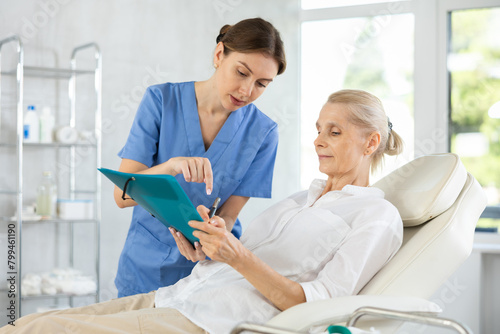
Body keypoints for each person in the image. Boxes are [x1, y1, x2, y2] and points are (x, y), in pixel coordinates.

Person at [3, 89, 404, 334]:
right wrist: (208, 249)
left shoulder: (376, 218)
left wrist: (236, 255)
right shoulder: (301, 199)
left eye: (334, 132)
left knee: (47, 330)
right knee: (28, 324)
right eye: (318, 129)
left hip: (211, 322)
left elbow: (318, 304)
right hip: (175, 298)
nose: (319, 140)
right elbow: (236, 257)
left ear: (370, 143)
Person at [113, 17, 287, 297]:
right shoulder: (161, 101)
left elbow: (229, 215)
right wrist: (170, 167)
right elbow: (121, 196)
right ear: (219, 55)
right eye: (242, 73)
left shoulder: (264, 134)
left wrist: (218, 231)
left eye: (261, 84)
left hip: (211, 276)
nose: (247, 91)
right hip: (145, 270)